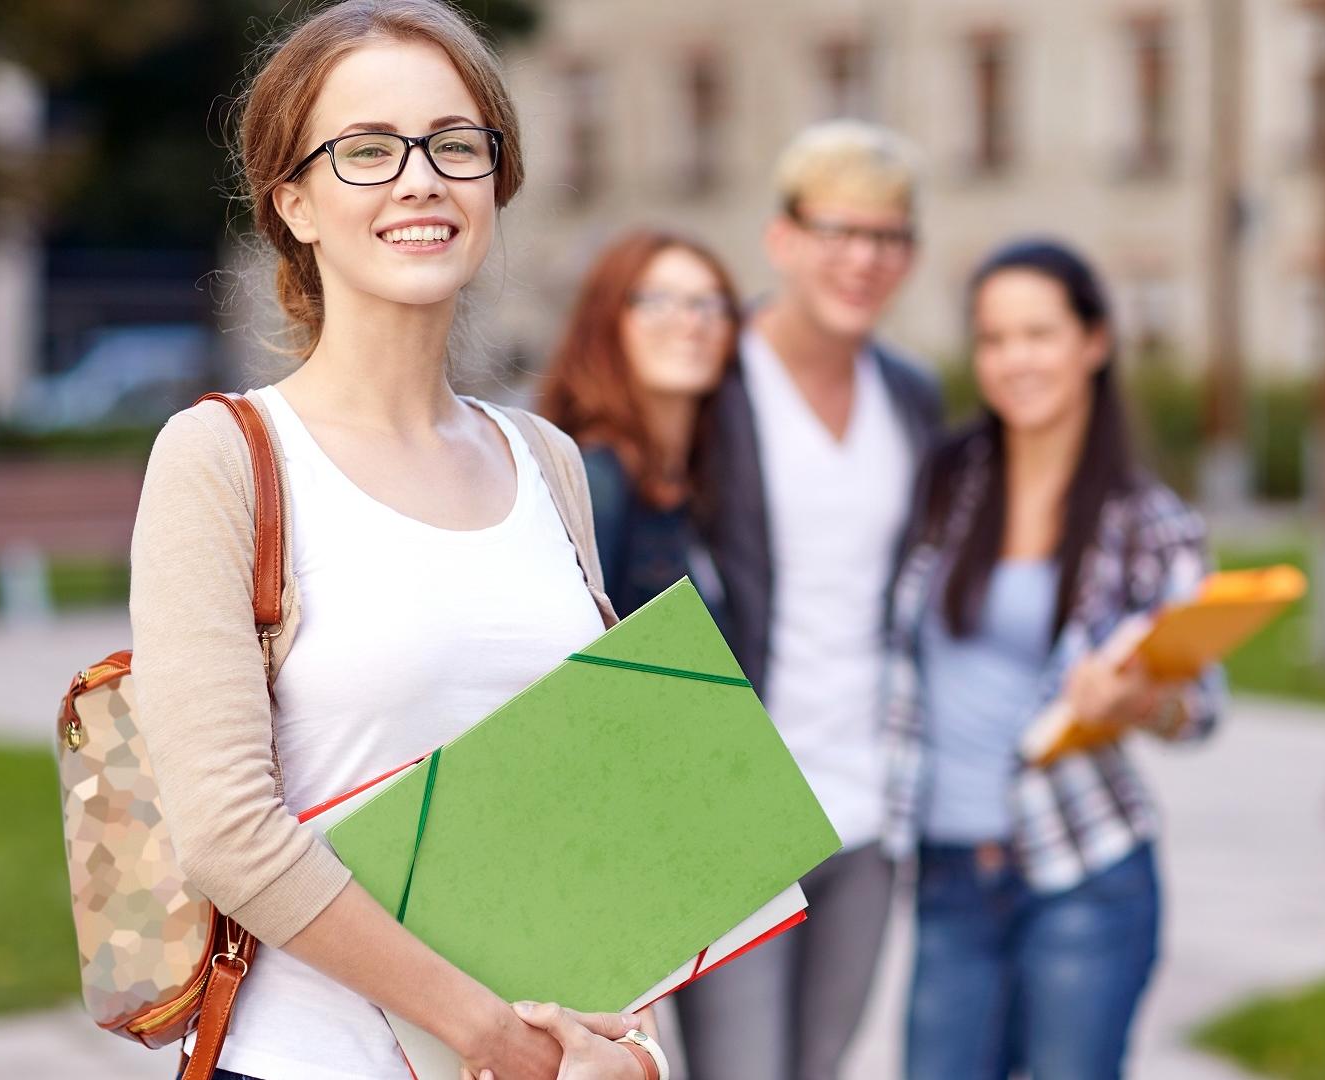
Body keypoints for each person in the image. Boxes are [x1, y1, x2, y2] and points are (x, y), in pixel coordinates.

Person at [129, 3, 656, 1077]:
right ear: (296, 203)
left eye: (455, 144)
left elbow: (602, 805)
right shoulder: (224, 457)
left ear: (494, 185)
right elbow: (229, 832)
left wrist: (628, 1048)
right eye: (367, 151)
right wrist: (489, 1035)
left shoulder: (547, 461)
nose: (421, 180)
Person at [881, 239, 1227, 1080]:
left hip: (1084, 874)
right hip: (950, 875)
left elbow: (1202, 708)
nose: (1014, 361)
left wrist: (1134, 702)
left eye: (1038, 335)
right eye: (994, 340)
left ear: (1094, 343)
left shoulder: (1148, 521)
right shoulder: (944, 482)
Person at [677, 120, 944, 1080]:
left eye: (888, 238)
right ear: (782, 237)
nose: (864, 259)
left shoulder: (910, 394)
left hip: (866, 805)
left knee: (821, 1065)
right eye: (840, 230)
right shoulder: (711, 375)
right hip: (735, 807)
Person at [541, 230, 740, 618]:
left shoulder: (702, 485)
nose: (690, 323)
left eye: (710, 303)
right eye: (656, 300)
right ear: (606, 319)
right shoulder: (596, 482)